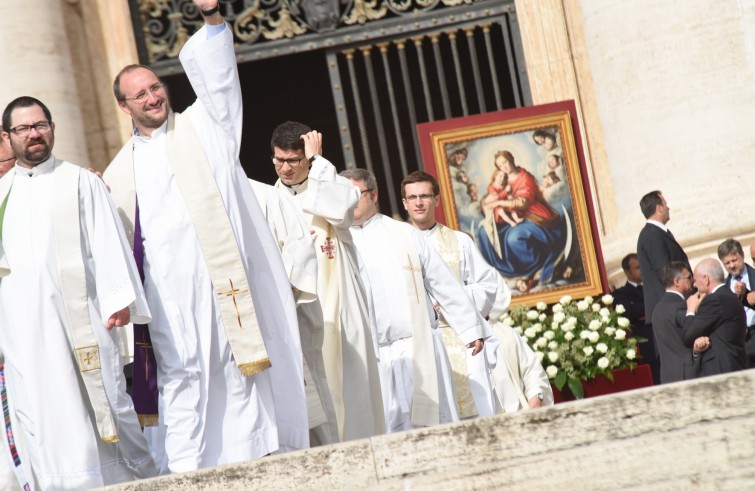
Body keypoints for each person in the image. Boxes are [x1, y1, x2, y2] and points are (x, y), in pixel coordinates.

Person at [104, 1, 307, 473]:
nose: (153, 97)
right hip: (169, 298)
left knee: (242, 368)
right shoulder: (117, 174)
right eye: (141, 94)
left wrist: (213, 18)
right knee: (184, 377)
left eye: (156, 87)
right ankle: (187, 468)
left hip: (225, 284)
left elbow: (219, 79)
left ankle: (260, 455)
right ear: (123, 106)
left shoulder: (204, 126)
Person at [0, 96, 156, 488]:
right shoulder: (1, 195)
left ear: (52, 128)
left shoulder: (80, 181)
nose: (34, 134)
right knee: (40, 408)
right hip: (23, 332)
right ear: (8, 137)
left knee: (102, 402)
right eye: (24, 129)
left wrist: (118, 297)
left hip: (81, 321)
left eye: (41, 125)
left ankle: (127, 479)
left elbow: (107, 240)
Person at [342, 168, 487, 432]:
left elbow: (442, 282)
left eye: (355, 194)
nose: (348, 201)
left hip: (416, 348)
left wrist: (470, 328)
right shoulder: (337, 242)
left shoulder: (404, 234)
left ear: (374, 194)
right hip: (370, 358)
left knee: (434, 428)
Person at [271, 121, 384, 442]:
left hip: (340, 310)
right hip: (300, 312)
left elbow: (340, 208)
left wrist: (319, 161)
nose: (285, 168)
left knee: (351, 390)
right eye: (278, 160)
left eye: (293, 160)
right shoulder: (269, 199)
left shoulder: (331, 184)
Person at [401, 170, 500, 418]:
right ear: (404, 203)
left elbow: (487, 286)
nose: (419, 202)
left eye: (425, 196)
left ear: (437, 200)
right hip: (415, 342)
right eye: (412, 197)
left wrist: (446, 303)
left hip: (459, 337)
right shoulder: (395, 244)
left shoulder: (460, 241)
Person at [248, 177, 339, 446]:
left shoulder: (266, 195)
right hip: (241, 321)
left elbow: (299, 246)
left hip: (284, 314)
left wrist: (285, 292)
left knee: (305, 390)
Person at [476, 150, 566, 287]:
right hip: (512, 215)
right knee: (484, 233)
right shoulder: (502, 179)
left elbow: (523, 203)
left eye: (505, 162)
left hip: (532, 214)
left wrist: (499, 203)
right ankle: (503, 270)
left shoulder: (525, 177)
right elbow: (492, 196)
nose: (504, 167)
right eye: (500, 166)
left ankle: (532, 268)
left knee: (514, 238)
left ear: (511, 159)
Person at [682, 258, 747, 376]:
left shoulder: (715, 300)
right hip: (733, 365)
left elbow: (688, 336)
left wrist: (690, 310)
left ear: (706, 279)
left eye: (695, 280)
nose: (694, 284)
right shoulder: (728, 295)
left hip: (722, 369)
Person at [636, 190, 691, 327]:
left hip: (672, 307)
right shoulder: (651, 235)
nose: (668, 208)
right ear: (659, 208)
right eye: (665, 204)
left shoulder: (657, 232)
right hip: (667, 310)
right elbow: (665, 271)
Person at [652, 262, 709, 383]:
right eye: (688, 277)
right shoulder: (680, 306)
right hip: (687, 373)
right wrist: (693, 310)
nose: (693, 280)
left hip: (669, 375)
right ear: (677, 281)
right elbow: (693, 332)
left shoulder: (657, 309)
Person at [613, 253, 660, 384]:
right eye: (638, 267)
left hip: (663, 345)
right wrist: (650, 309)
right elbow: (629, 312)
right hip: (645, 350)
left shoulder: (655, 288)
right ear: (627, 272)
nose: (643, 270)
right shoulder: (620, 294)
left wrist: (645, 311)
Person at [717, 238, 755, 368]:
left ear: (742, 255)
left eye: (734, 260)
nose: (732, 265)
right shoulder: (723, 287)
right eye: (727, 263)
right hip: (740, 342)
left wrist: (746, 293)